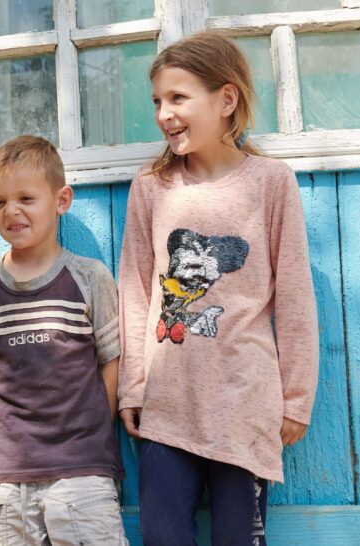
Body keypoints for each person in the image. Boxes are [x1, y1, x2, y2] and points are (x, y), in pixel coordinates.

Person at [118, 31, 319, 545]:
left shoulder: (271, 182)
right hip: (166, 404)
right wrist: (132, 387)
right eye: (157, 101)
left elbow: (295, 296)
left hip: (245, 404)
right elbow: (135, 292)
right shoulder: (151, 187)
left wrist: (296, 398)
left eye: (178, 98)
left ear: (226, 99)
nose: (164, 114)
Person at [0, 135, 127, 545]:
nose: (11, 210)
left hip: (83, 469)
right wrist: (6, 432)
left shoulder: (89, 276)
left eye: (26, 198)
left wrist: (93, 428)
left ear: (61, 200)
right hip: (7, 475)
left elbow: (112, 361)